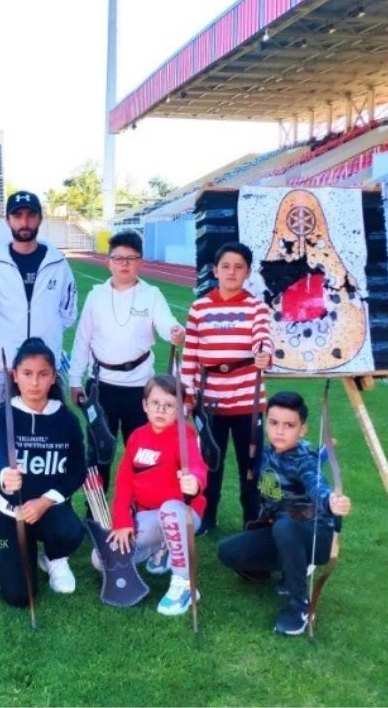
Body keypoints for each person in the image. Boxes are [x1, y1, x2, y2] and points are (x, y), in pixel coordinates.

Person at [0, 190, 78, 537]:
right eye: (18, 216)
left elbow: (68, 313)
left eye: (30, 215)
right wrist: (3, 345)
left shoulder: (58, 262)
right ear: (8, 220)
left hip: (45, 368)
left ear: (40, 219)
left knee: (55, 435)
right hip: (2, 366)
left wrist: (45, 345)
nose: (24, 222)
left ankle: (57, 498)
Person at [216, 391, 351, 636]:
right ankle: (292, 567)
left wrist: (331, 501)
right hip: (283, 530)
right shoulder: (268, 453)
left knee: (285, 527)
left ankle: (300, 604)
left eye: (289, 425)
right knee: (228, 551)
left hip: (315, 538)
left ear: (302, 429)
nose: (279, 431)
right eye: (273, 423)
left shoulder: (304, 461)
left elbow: (316, 484)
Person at [68, 230, 185, 490]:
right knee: (99, 453)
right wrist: (76, 379)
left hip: (140, 387)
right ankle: (95, 512)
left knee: (143, 452)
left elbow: (166, 322)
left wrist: (174, 330)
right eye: (118, 258)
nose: (124, 264)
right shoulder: (96, 295)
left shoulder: (151, 294)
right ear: (108, 262)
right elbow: (82, 339)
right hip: (101, 386)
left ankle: (140, 508)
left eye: (130, 259)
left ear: (140, 262)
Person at [180, 241, 273, 534]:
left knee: (251, 466)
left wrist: (264, 353)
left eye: (239, 267)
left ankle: (252, 518)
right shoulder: (199, 308)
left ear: (247, 273)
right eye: (226, 266)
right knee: (210, 464)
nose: (232, 272)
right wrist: (187, 394)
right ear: (215, 270)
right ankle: (206, 517)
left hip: (247, 401)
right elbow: (191, 353)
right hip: (210, 404)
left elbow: (263, 338)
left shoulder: (256, 307)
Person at [0, 338, 86, 606]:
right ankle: (16, 552)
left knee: (70, 530)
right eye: (27, 374)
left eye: (43, 374)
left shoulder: (66, 420)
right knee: (19, 597)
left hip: (50, 511)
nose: (34, 383)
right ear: (14, 376)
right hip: (12, 513)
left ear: (54, 377)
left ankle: (55, 557)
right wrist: (3, 473)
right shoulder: (2, 414)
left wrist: (45, 501)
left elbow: (78, 469)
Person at [102, 374, 207, 615]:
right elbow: (124, 482)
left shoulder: (185, 435)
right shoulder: (137, 436)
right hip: (149, 517)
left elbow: (197, 465)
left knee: (170, 510)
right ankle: (162, 546)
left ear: (181, 410)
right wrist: (121, 521)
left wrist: (195, 482)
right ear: (144, 405)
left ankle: (184, 585)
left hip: (182, 515)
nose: (161, 410)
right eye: (155, 403)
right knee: (102, 559)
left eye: (170, 406)